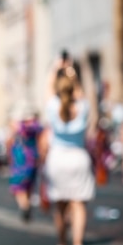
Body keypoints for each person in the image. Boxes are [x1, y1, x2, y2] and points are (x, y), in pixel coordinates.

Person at [42, 68, 95, 245]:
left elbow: (49, 88)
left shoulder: (53, 106)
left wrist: (56, 67)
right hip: (78, 157)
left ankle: (62, 241)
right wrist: (74, 74)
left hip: (57, 158)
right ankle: (77, 241)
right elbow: (82, 94)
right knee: (78, 204)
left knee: (60, 206)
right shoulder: (82, 106)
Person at [6, 99, 43, 222]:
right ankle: (27, 204)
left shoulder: (19, 126)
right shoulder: (37, 127)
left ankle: (24, 205)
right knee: (29, 184)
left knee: (18, 185)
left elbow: (9, 140)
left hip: (20, 157)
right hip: (33, 156)